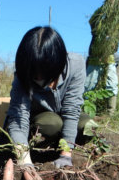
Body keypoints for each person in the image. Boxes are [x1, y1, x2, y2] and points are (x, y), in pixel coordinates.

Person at [5, 26, 91, 168]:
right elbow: (19, 117)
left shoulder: (76, 65)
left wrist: (66, 154)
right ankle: (37, 145)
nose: (38, 77)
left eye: (43, 73)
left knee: (87, 125)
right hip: (40, 122)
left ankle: (62, 143)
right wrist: (24, 159)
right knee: (52, 123)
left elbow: (71, 109)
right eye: (35, 74)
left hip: (63, 116)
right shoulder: (23, 73)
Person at [84, 0, 119, 115]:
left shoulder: (117, 30)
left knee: (112, 85)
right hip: (95, 59)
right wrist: (106, 5)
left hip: (110, 60)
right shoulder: (98, 28)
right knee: (88, 86)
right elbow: (93, 20)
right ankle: (84, 111)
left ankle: (110, 113)